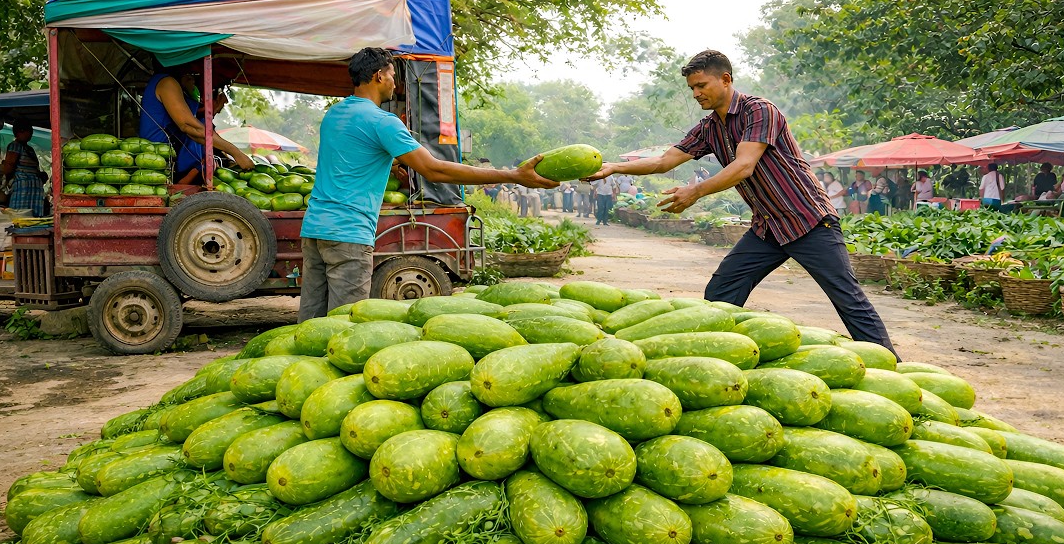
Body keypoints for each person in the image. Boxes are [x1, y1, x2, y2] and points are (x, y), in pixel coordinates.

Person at [585, 49, 896, 352]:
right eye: (692, 88)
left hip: (809, 219)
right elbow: (664, 161)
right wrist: (614, 166)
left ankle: (890, 366)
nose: (696, 94)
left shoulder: (760, 111)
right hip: (768, 228)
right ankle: (720, 353)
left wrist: (696, 190)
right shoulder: (709, 128)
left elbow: (744, 165)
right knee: (721, 292)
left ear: (725, 79)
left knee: (847, 298)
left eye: (701, 85)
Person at [298, 47, 556, 321]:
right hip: (348, 233)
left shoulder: (335, 115)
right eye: (392, 75)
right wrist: (513, 175)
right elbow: (435, 170)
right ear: (378, 77)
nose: (395, 83)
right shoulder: (383, 122)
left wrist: (393, 163)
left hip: (314, 229)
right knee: (342, 325)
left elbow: (351, 155)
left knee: (311, 323)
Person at [139, 62, 254, 181]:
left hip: (167, 164)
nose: (193, 78)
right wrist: (236, 153)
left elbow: (197, 131)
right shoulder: (167, 83)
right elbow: (189, 127)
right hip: (156, 164)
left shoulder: (174, 86)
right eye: (190, 74)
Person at [0, 122, 46, 215]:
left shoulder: (29, 149)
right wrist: (7, 181)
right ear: (20, 132)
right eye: (29, 131)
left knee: (25, 215)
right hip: (23, 186)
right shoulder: (15, 146)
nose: (31, 134)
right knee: (19, 215)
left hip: (31, 187)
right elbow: (9, 165)